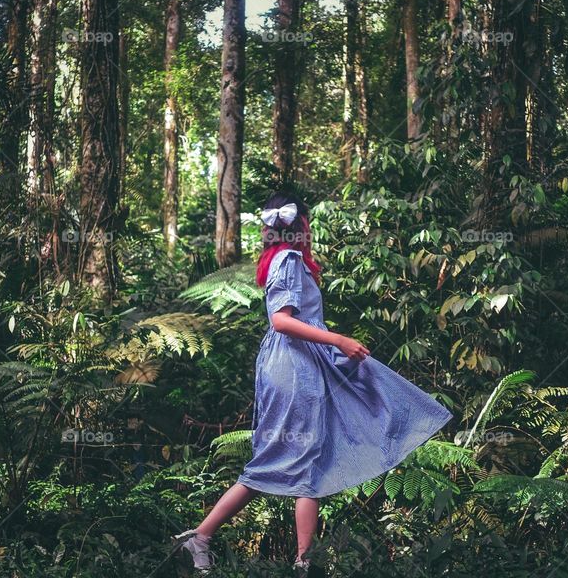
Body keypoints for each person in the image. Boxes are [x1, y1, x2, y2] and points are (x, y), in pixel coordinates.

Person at [174, 191, 453, 574]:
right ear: (301, 224)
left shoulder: (281, 259)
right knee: (284, 457)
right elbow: (282, 321)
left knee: (305, 459)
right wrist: (338, 339)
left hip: (299, 363)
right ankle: (220, 541)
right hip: (292, 366)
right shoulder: (288, 260)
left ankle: (300, 561)